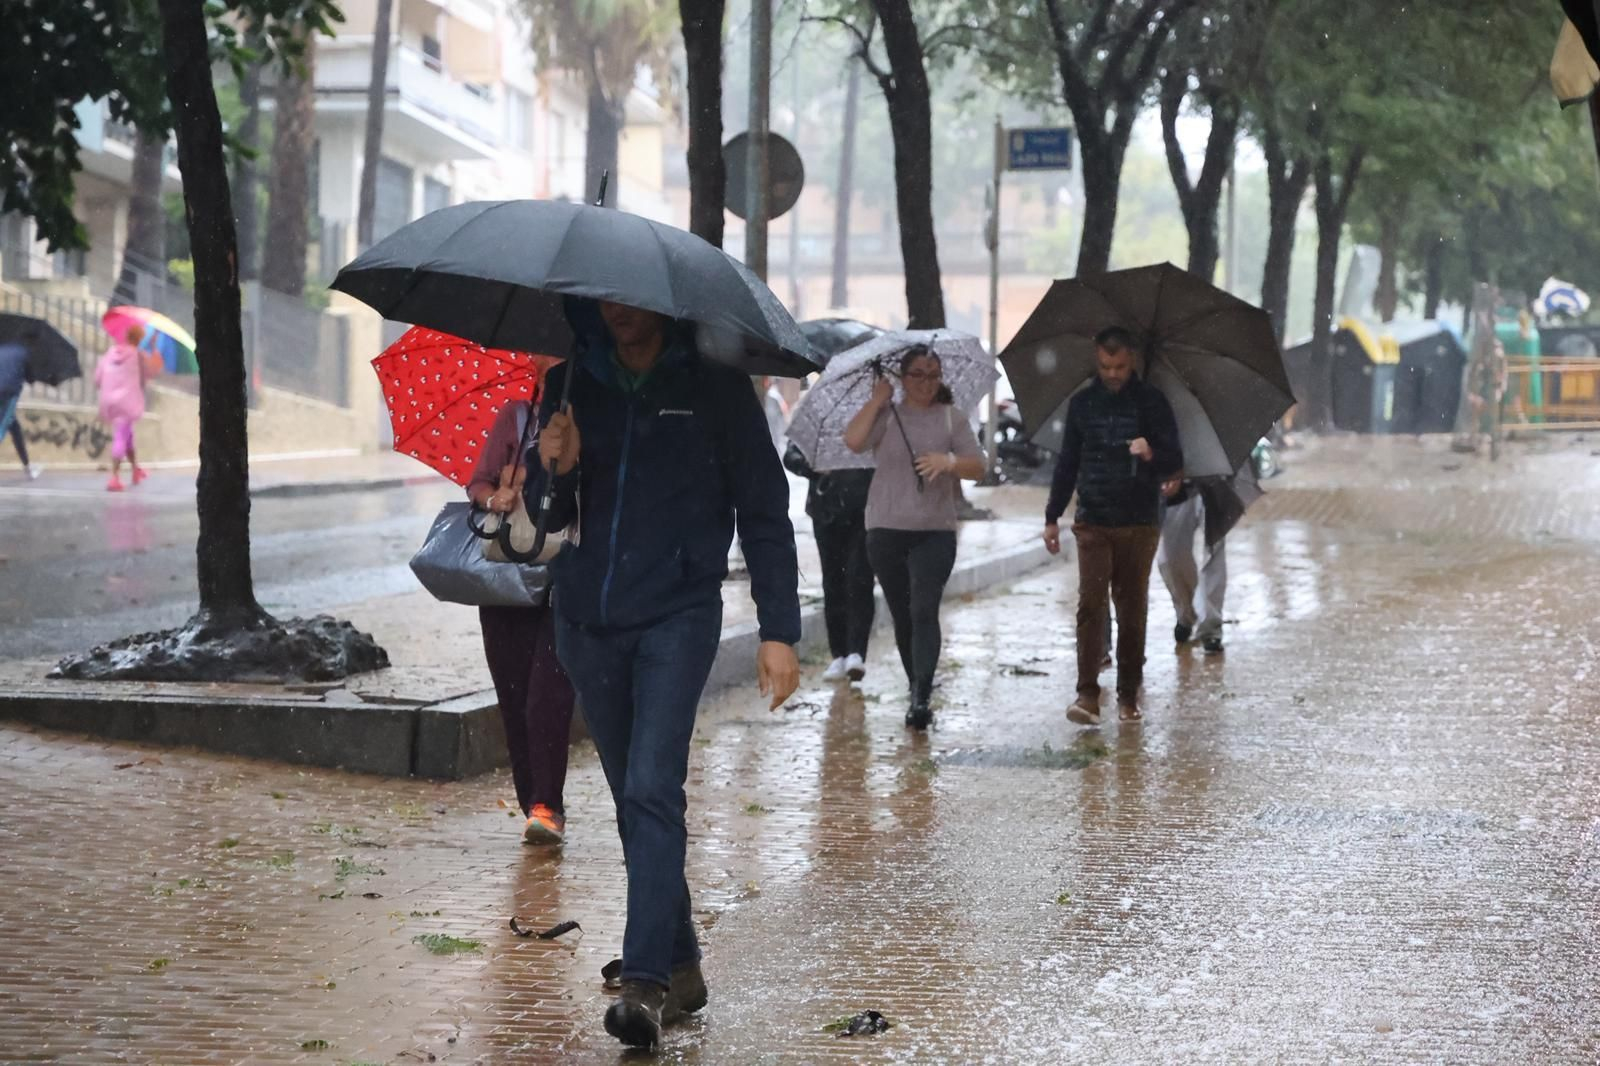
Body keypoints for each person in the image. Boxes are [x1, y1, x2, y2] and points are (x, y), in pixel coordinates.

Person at [531, 297, 801, 1050]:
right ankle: (681, 966)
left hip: (677, 617)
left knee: (652, 789)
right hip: (586, 622)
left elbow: (764, 510)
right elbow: (544, 517)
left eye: (632, 300)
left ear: (663, 301)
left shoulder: (716, 388)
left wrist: (779, 630)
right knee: (635, 800)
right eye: (606, 299)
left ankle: (645, 985)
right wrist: (556, 470)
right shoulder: (568, 382)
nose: (618, 311)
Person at [1042, 327, 1182, 725]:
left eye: (1119, 366)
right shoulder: (1083, 404)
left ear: (1132, 359)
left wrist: (1150, 452)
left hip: (1139, 521)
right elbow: (1067, 462)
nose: (1113, 374)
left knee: (1132, 608)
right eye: (1106, 366)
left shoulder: (1153, 402)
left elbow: (1174, 460)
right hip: (1093, 519)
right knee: (1090, 604)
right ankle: (1087, 694)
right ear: (1096, 359)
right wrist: (1052, 516)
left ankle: (1128, 693)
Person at [843, 345, 987, 729]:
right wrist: (877, 400)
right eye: (918, 374)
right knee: (903, 613)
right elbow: (853, 441)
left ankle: (922, 694)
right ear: (903, 378)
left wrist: (949, 461)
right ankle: (914, 684)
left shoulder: (951, 418)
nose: (926, 382)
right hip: (885, 530)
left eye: (933, 374)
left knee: (924, 607)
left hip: (934, 532)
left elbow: (980, 466)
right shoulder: (887, 415)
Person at [466, 398, 578, 846]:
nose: (544, 364)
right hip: (506, 576)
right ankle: (533, 803)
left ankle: (548, 805)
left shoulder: (588, 413)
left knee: (547, 696)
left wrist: (557, 470)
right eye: (540, 362)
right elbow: (478, 483)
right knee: (513, 697)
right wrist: (496, 496)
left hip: (565, 576)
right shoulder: (515, 416)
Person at [783, 442, 875, 682]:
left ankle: (856, 651)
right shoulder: (819, 427)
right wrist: (814, 466)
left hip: (863, 510)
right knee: (832, 582)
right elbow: (791, 456)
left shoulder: (870, 425)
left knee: (859, 578)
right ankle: (838, 654)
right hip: (825, 510)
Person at [1157, 477, 1226, 655]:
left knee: (1214, 554)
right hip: (1175, 490)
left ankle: (1211, 626)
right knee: (1169, 558)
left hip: (1213, 483)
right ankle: (1186, 613)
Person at [94, 324, 150, 491]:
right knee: (121, 436)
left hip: (109, 401)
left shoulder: (110, 352)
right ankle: (114, 477)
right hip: (126, 402)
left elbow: (97, 379)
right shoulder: (138, 355)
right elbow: (144, 379)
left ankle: (135, 469)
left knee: (127, 435)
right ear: (139, 339)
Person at [0, 342, 41, 479]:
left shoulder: (3, 348)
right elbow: (31, 378)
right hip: (8, 393)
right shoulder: (24, 352)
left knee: (15, 428)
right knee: (2, 427)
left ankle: (27, 466)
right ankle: (28, 468)